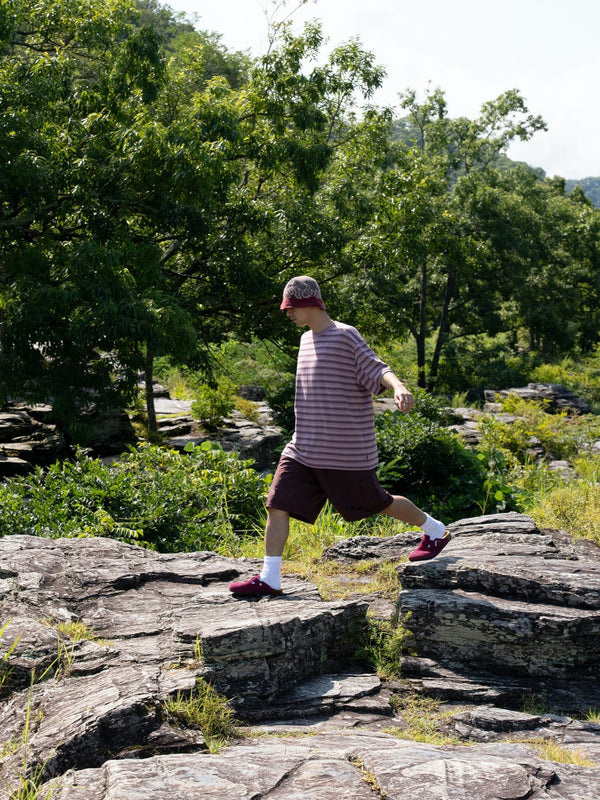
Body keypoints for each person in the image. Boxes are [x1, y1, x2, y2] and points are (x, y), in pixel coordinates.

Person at [229, 276, 451, 597]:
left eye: (291, 307)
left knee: (378, 502)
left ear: (309, 303)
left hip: (344, 452)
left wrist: (399, 387)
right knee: (277, 504)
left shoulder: (345, 335)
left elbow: (378, 368)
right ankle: (270, 577)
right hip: (303, 448)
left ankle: (435, 530)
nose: (287, 313)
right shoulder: (305, 341)